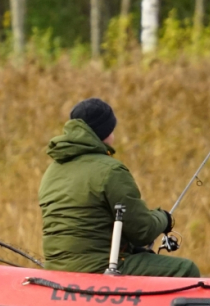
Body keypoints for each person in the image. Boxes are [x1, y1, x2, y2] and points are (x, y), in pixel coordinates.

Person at [38, 98, 201, 277]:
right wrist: (164, 219)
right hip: (99, 266)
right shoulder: (111, 170)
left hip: (56, 268)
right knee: (186, 269)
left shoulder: (51, 171)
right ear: (105, 133)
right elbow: (143, 231)